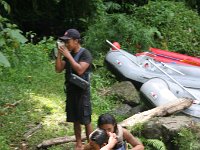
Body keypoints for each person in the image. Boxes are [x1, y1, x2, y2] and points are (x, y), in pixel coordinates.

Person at [55, 28, 93, 150]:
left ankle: (91, 144)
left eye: (68, 41)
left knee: (86, 119)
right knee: (75, 119)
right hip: (71, 91)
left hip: (82, 92)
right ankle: (78, 144)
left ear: (76, 41)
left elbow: (80, 70)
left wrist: (68, 55)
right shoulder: (68, 54)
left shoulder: (85, 53)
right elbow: (58, 69)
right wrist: (60, 54)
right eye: (64, 42)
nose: (66, 44)